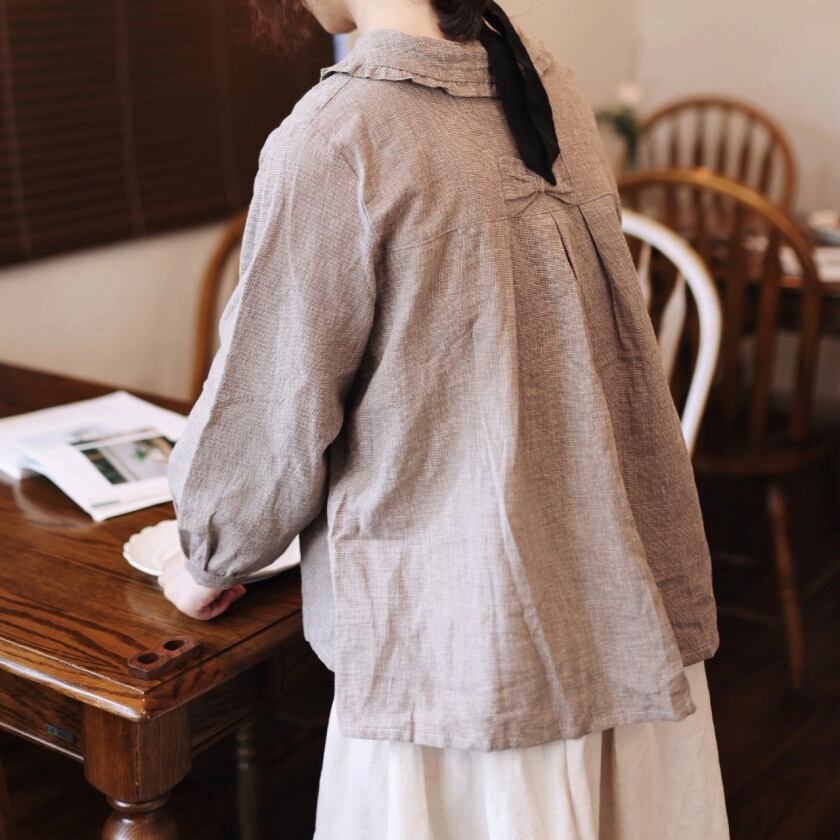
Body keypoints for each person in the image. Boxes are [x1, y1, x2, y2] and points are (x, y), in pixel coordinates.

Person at [160, 1, 730, 837]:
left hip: (462, 649)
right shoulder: (542, 80)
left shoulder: (337, 136)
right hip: (615, 603)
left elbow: (269, 418)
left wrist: (204, 562)